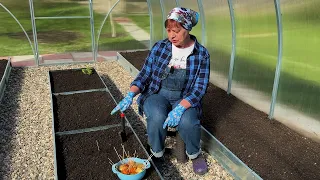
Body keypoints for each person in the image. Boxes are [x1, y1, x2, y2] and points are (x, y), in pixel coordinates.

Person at [111, 7, 210, 175]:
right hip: (158, 94)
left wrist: (180, 108)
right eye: (169, 30)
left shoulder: (201, 54)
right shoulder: (160, 48)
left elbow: (200, 88)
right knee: (156, 116)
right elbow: (145, 75)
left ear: (187, 29)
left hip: (185, 97)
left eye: (177, 31)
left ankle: (194, 154)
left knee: (188, 121)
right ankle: (156, 152)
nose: (171, 35)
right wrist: (130, 94)